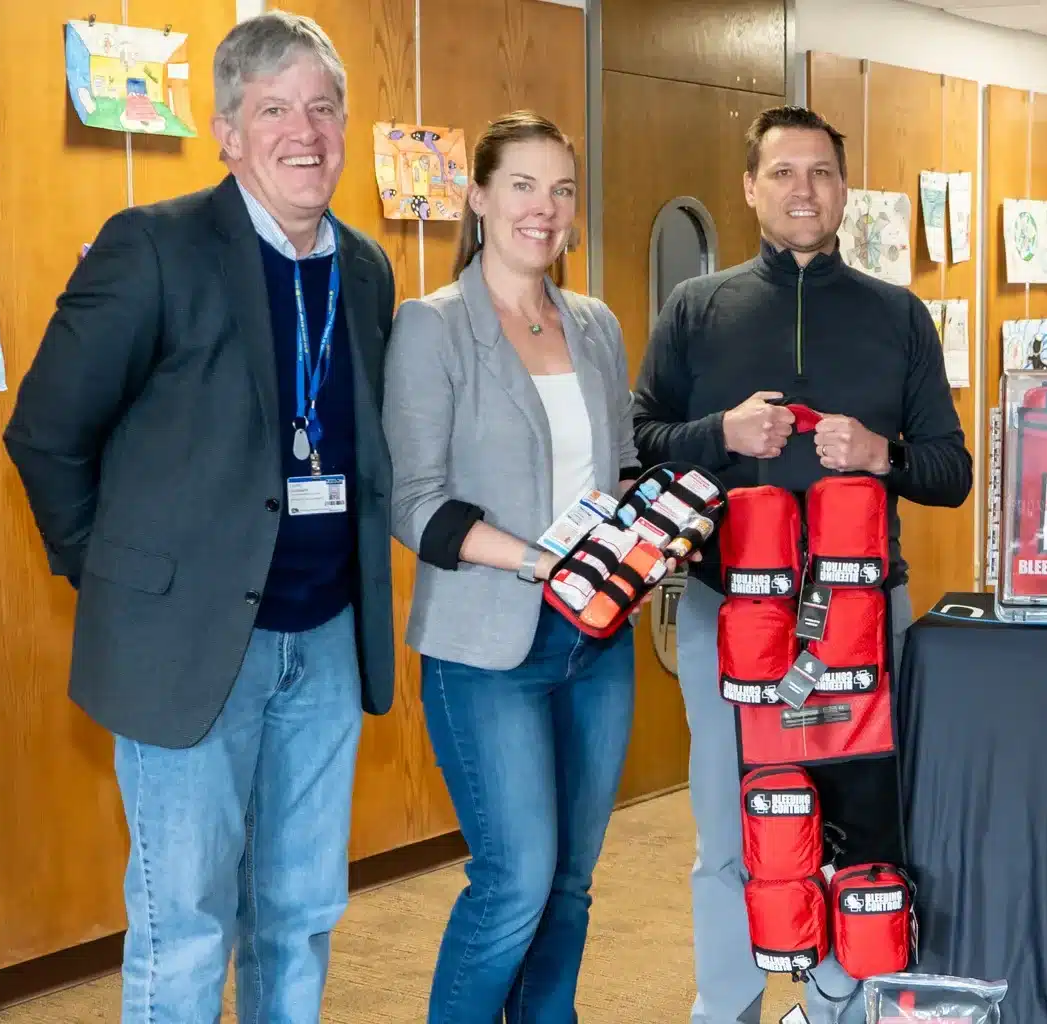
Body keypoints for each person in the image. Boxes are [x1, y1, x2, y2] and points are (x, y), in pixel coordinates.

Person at [1, 12, 395, 1023]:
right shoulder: (155, 249)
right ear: (225, 130)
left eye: (321, 107)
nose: (303, 132)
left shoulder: (364, 267)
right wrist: (122, 579)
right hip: (187, 648)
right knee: (186, 923)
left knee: (299, 912)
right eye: (273, 109)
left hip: (327, 643)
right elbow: (46, 432)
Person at [632, 105, 973, 1024]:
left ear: (844, 189)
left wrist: (880, 457)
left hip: (864, 612)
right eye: (782, 172)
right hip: (727, 612)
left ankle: (843, 1009)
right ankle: (728, 1005)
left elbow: (952, 471)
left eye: (820, 172)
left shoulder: (898, 314)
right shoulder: (696, 310)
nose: (803, 190)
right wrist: (720, 434)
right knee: (732, 824)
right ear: (750, 189)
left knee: (862, 822)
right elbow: (642, 445)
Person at [382, 110, 648, 1024]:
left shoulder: (598, 325)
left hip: (596, 642)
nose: (546, 208)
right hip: (486, 645)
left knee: (571, 882)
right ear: (480, 197)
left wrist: (649, 526)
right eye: (524, 186)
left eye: (562, 189)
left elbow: (615, 470)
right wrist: (537, 560)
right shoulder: (434, 327)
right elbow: (412, 500)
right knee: (515, 883)